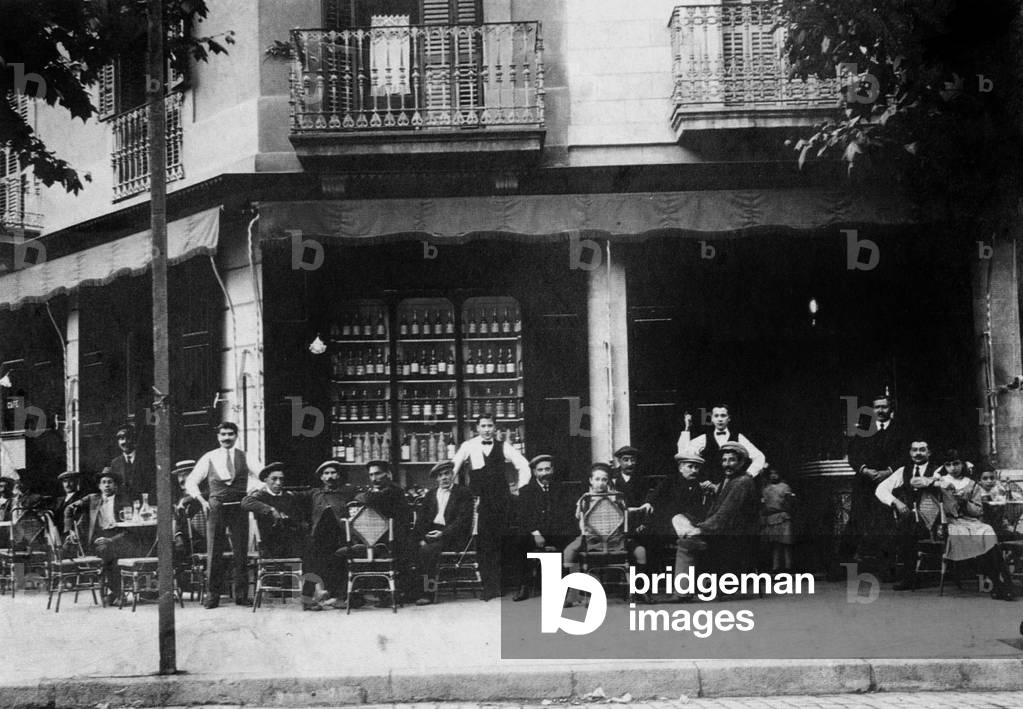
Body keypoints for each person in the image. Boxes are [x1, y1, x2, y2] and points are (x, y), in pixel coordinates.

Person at [185, 421, 262, 609]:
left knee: (240, 551)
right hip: (216, 508)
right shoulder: (209, 457)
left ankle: (242, 596)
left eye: (230, 434)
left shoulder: (246, 456)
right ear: (218, 437)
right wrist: (202, 501)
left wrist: (253, 492)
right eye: (223, 434)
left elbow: (263, 476)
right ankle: (212, 596)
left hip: (239, 508)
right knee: (214, 552)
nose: (226, 438)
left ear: (236, 436)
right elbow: (191, 481)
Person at [451, 413, 525, 599]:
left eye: (490, 426)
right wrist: (453, 491)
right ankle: (488, 588)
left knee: (502, 542)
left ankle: (502, 586)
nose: (486, 430)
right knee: (484, 545)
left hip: (501, 502)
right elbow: (454, 467)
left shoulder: (503, 446)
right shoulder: (469, 446)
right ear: (476, 428)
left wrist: (520, 488)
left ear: (495, 427)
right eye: (483, 426)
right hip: (479, 502)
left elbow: (523, 465)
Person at [937, 450, 1015, 600]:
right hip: (952, 524)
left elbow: (978, 511)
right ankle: (1000, 584)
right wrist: (938, 481)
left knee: (988, 533)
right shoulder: (940, 481)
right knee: (980, 542)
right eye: (948, 465)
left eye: (956, 463)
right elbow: (915, 481)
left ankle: (1004, 583)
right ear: (944, 466)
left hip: (972, 521)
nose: (953, 468)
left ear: (962, 464)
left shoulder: (972, 484)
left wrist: (965, 502)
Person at [845, 394, 907, 571]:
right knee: (857, 521)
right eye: (877, 407)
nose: (880, 410)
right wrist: (864, 469)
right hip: (864, 483)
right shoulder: (864, 429)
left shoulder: (899, 430)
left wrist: (888, 471)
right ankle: (843, 565)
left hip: (889, 482)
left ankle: (885, 567)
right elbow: (853, 455)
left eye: (884, 407)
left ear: (890, 409)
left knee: (885, 523)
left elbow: (904, 455)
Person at [874, 438, 944, 590]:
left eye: (922, 450)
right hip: (912, 519)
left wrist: (931, 481)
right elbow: (881, 489)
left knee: (906, 530)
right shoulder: (903, 471)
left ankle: (908, 577)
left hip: (935, 520)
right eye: (914, 450)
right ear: (910, 452)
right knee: (898, 529)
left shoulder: (939, 470)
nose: (918, 453)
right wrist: (896, 502)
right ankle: (899, 574)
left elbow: (944, 485)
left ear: (929, 452)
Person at [683, 442, 758, 576]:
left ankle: (689, 587)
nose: (726, 464)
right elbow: (717, 509)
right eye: (724, 460)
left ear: (741, 462)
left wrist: (701, 528)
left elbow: (726, 512)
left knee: (688, 543)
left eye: (732, 460)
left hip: (736, 534)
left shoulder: (742, 482)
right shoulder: (728, 480)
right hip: (725, 529)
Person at [343, 459, 411, 606]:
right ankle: (359, 596)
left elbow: (370, 498)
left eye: (378, 474)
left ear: (388, 474)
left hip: (394, 542)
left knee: (347, 552)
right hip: (377, 539)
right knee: (343, 551)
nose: (374, 478)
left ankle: (366, 596)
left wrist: (359, 497)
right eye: (371, 475)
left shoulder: (394, 490)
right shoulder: (377, 491)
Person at [64, 469, 134, 606]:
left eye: (110, 482)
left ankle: (115, 592)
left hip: (119, 536)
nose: (107, 485)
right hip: (99, 537)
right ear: (99, 486)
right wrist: (70, 530)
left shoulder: (123, 499)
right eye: (104, 482)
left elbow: (129, 527)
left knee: (109, 551)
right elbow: (69, 509)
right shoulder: (92, 498)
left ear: (116, 486)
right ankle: (117, 593)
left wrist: (111, 540)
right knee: (105, 551)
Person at [293, 458, 356, 610]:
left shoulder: (348, 492)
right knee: (311, 560)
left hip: (341, 536)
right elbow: (293, 499)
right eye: (326, 473)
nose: (329, 476)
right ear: (321, 477)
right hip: (318, 537)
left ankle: (340, 597)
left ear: (338, 475)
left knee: (342, 558)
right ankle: (307, 599)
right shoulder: (314, 493)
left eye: (333, 473)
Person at [562, 462, 627, 607]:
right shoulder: (586, 499)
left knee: (581, 551)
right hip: (590, 537)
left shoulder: (615, 498)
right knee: (569, 552)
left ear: (608, 481)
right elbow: (579, 518)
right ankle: (573, 593)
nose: (600, 483)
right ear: (590, 480)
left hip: (612, 539)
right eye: (597, 479)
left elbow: (622, 517)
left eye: (604, 480)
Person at [650, 451, 713, 600]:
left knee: (692, 541)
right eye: (690, 466)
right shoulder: (670, 481)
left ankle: (685, 589)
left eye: (697, 468)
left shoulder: (697, 487)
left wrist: (708, 495)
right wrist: (648, 503)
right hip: (668, 525)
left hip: (688, 525)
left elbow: (699, 511)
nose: (694, 471)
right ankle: (688, 588)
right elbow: (654, 496)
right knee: (688, 535)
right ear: (680, 467)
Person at [512, 454, 575, 602]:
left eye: (547, 469)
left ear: (552, 470)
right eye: (540, 470)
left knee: (571, 539)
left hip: (556, 532)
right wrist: (536, 533)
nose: (544, 473)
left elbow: (566, 515)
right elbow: (523, 517)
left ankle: (566, 587)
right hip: (535, 534)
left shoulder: (561, 489)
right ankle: (524, 585)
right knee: (520, 540)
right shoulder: (526, 491)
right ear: (534, 472)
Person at [412, 460, 475, 606]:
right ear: (436, 478)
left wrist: (443, 534)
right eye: (440, 475)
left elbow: (463, 521)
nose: (444, 478)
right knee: (409, 546)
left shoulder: (463, 493)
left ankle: (428, 593)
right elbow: (421, 520)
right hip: (431, 533)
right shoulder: (430, 495)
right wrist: (421, 538)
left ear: (453, 474)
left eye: (447, 473)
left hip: (453, 535)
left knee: (428, 551)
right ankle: (411, 592)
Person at [677, 405, 766, 482]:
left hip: (732, 487)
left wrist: (748, 475)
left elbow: (759, 457)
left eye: (723, 416)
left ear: (729, 418)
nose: (720, 419)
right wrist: (687, 429)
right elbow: (684, 455)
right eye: (716, 416)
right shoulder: (703, 438)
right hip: (710, 489)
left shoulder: (739, 437)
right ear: (712, 418)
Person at [609, 445, 655, 579]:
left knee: (647, 545)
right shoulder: (612, 478)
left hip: (637, 524)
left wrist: (644, 523)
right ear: (619, 461)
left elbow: (647, 503)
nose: (630, 463)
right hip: (617, 525)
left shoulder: (641, 478)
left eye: (633, 460)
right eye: (626, 460)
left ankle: (642, 585)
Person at [760, 465, 795, 574]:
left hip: (783, 517)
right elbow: (763, 504)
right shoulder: (765, 488)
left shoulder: (785, 487)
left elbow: (790, 502)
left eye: (776, 473)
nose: (773, 476)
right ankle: (776, 567)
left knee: (786, 543)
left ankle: (788, 567)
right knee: (775, 544)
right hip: (770, 518)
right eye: (771, 473)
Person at [977, 467, 1023, 541]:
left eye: (992, 478)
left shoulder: (996, 490)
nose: (989, 481)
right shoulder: (978, 492)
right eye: (985, 479)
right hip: (983, 525)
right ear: (979, 481)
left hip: (999, 525)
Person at [107, 424, 153, 497]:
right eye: (121, 438)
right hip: (123, 506)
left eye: (128, 438)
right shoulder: (115, 463)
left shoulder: (145, 460)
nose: (125, 442)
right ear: (118, 442)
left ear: (134, 439)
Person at [50, 470, 89, 537]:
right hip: (57, 535)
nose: (67, 485)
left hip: (73, 534)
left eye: (70, 481)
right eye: (65, 482)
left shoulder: (81, 498)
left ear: (76, 482)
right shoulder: (59, 500)